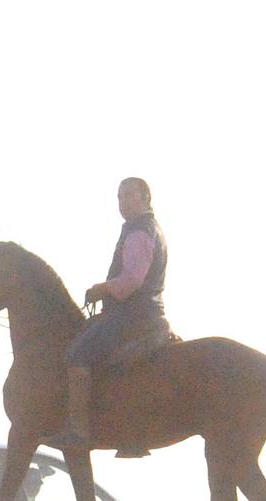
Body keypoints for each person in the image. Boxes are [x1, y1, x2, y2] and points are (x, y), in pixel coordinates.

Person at [50, 177, 171, 452]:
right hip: (142, 312)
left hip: (134, 314)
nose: (123, 202)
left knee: (77, 353)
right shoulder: (144, 229)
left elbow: (131, 281)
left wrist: (101, 288)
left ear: (146, 198)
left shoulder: (140, 232)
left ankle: (78, 430)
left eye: (129, 195)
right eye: (119, 197)